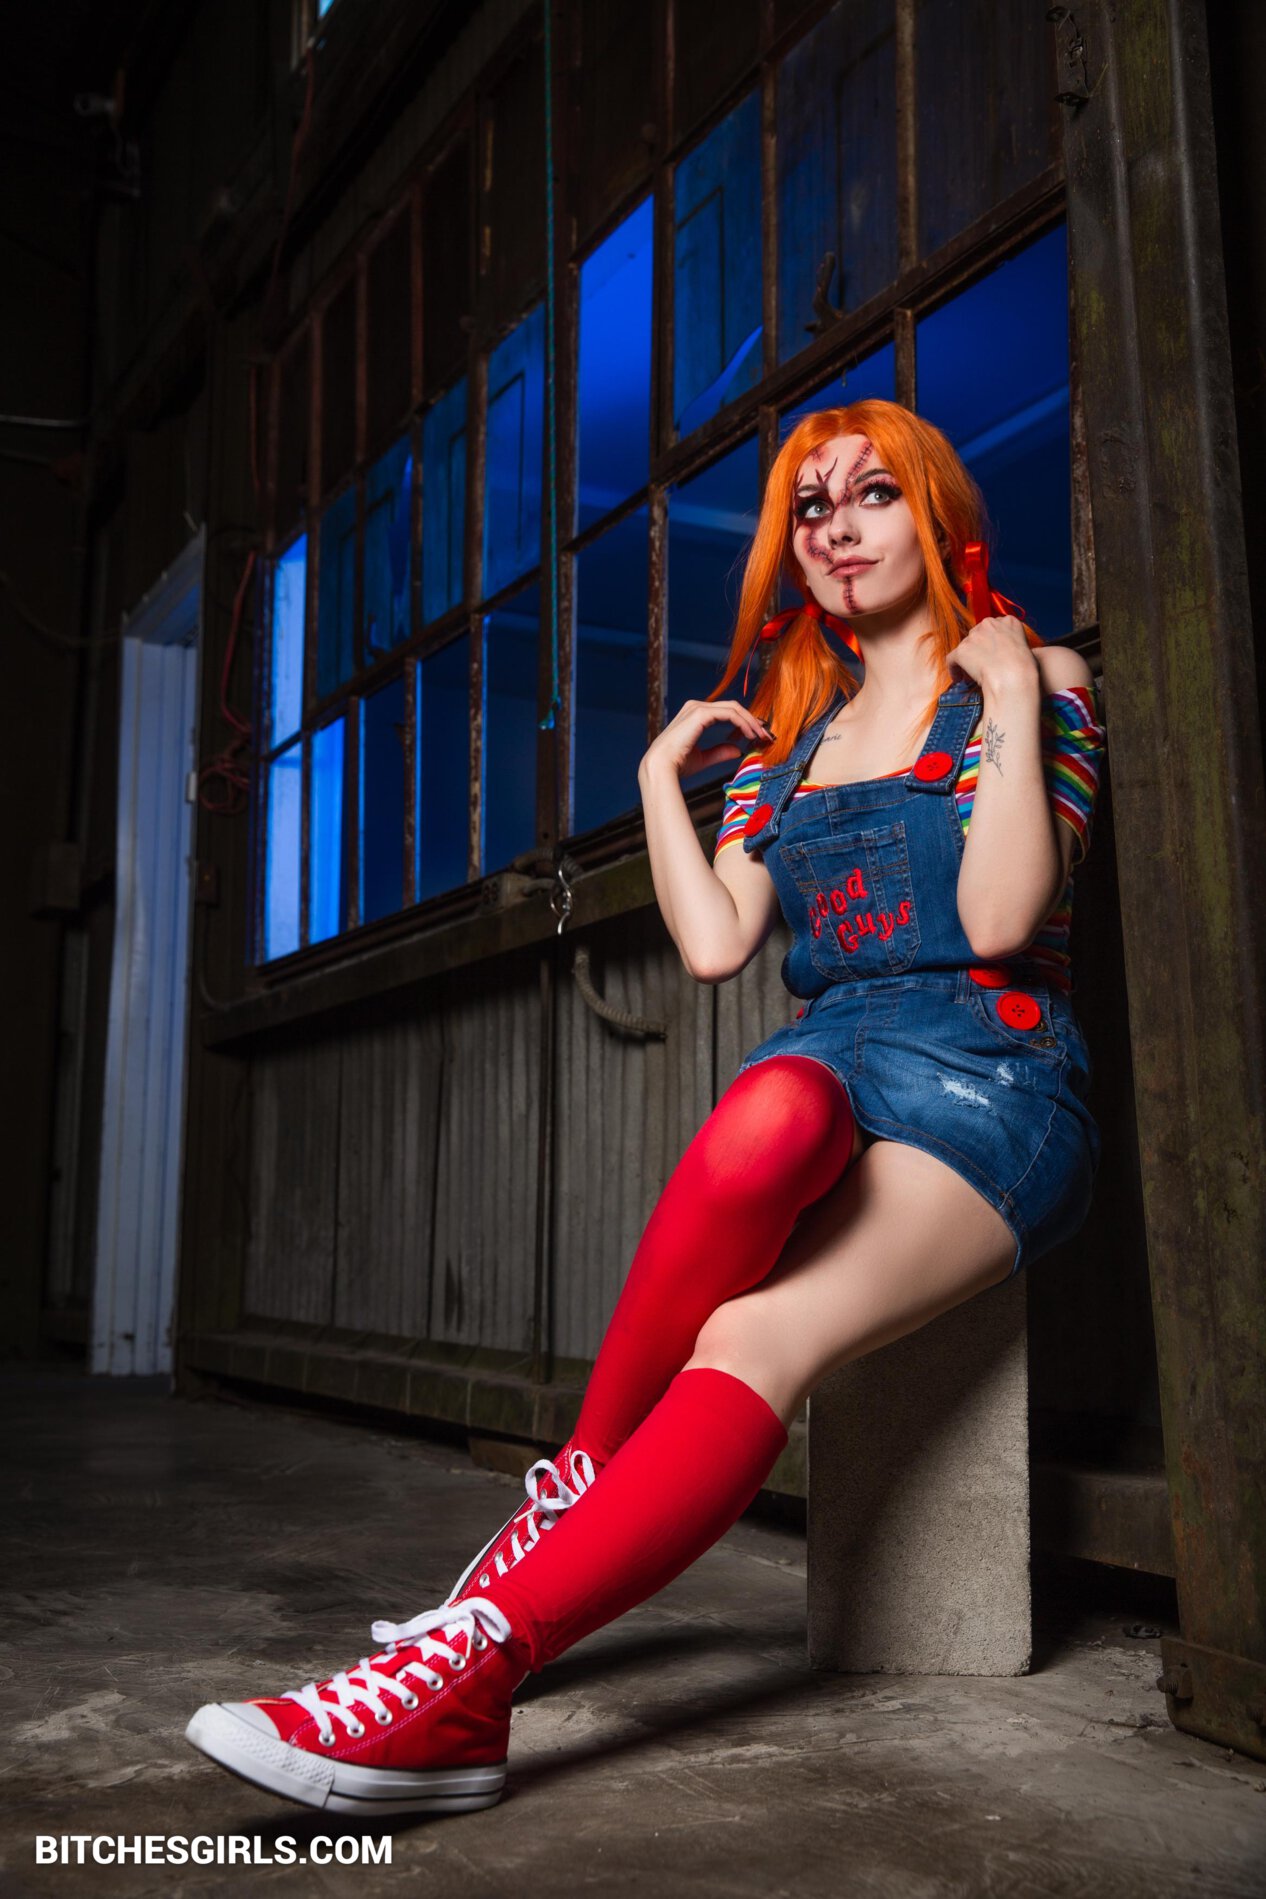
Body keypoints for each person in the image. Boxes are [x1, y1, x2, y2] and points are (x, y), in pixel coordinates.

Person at [186, 399, 1106, 1816]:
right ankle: (579, 1483)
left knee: (749, 1334)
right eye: (810, 509)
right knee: (774, 1107)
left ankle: (468, 1681)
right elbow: (716, 943)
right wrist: (653, 783)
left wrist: (1011, 701)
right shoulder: (785, 745)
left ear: (936, 514)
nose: (837, 529)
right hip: (833, 1057)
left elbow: (995, 918)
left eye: (872, 494)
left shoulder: (1029, 677)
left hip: (991, 1076)